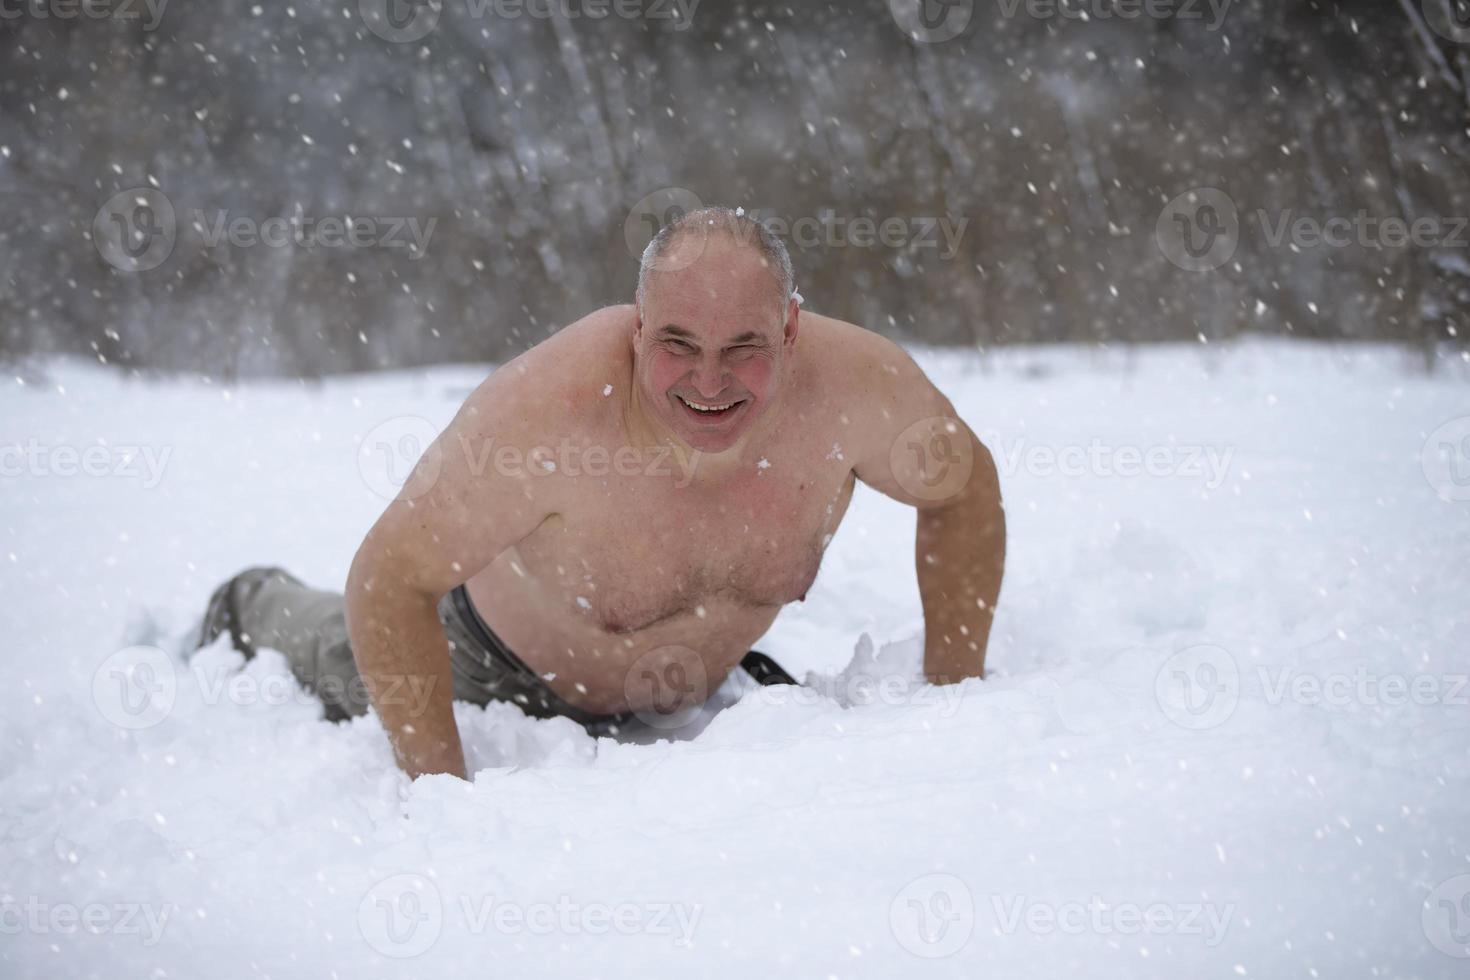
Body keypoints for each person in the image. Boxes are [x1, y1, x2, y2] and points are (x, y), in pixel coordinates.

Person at [196, 206, 1005, 780]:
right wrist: (441, 798)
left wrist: (954, 692)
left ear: (790, 329)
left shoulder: (857, 390)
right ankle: (243, 598)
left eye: (745, 347)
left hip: (692, 696)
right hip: (487, 671)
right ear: (637, 327)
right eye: (678, 345)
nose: (710, 381)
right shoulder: (552, 411)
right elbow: (389, 577)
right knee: (304, 632)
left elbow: (963, 490)